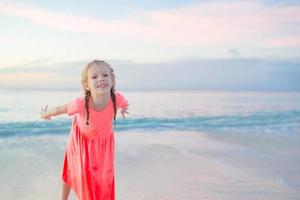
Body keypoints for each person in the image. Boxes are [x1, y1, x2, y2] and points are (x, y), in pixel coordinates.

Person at [40, 60, 129, 200]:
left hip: (104, 142)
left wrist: (123, 109)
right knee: (72, 170)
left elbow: (124, 103)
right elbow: (60, 109)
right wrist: (45, 114)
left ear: (112, 80)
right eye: (94, 77)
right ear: (87, 85)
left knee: (103, 176)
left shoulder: (116, 98)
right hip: (80, 139)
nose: (101, 79)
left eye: (105, 75)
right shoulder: (81, 103)